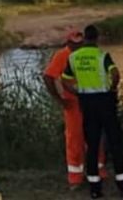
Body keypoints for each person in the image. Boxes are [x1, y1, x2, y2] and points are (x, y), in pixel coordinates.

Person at [61, 25, 123, 198]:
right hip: (105, 101)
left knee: (92, 145)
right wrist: (112, 87)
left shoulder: (73, 58)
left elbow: (65, 79)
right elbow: (115, 74)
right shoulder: (102, 56)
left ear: (85, 39)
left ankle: (95, 189)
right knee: (115, 143)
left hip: (87, 103)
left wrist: (76, 91)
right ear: (97, 38)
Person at [43, 28, 88, 189]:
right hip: (73, 103)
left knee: (95, 137)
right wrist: (59, 100)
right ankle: (75, 178)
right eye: (75, 43)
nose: (78, 46)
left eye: (80, 43)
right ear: (68, 42)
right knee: (74, 139)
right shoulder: (62, 55)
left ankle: (97, 173)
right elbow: (48, 76)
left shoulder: (87, 53)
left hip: (90, 101)